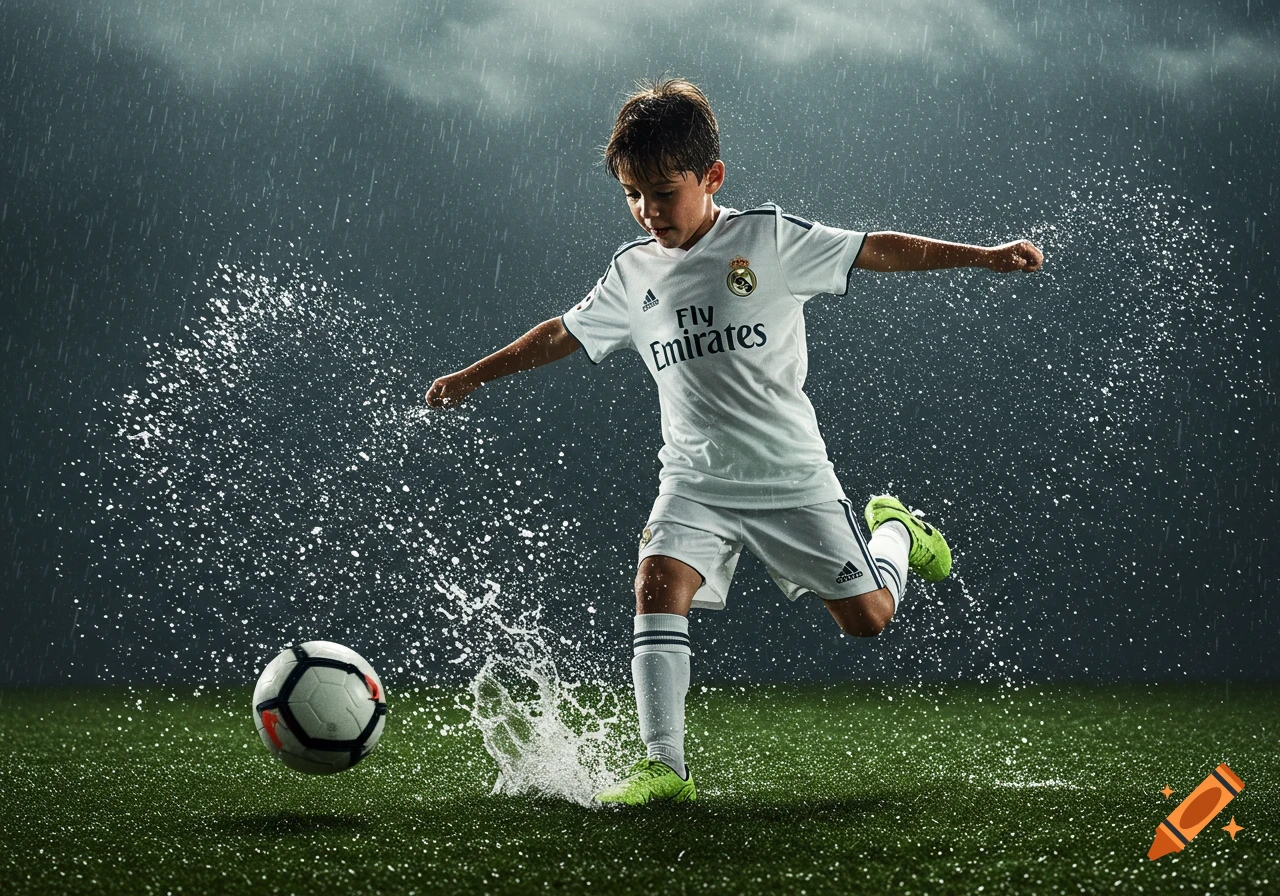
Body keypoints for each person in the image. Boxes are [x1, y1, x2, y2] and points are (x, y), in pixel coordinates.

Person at [426, 78, 1043, 806]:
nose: (648, 211)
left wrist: (985, 256)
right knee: (657, 580)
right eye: (633, 194)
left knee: (868, 621)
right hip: (694, 480)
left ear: (711, 177)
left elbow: (878, 250)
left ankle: (895, 532)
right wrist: (473, 375)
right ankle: (666, 769)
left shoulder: (767, 239)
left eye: (663, 191)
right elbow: (562, 332)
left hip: (791, 477)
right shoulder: (632, 273)